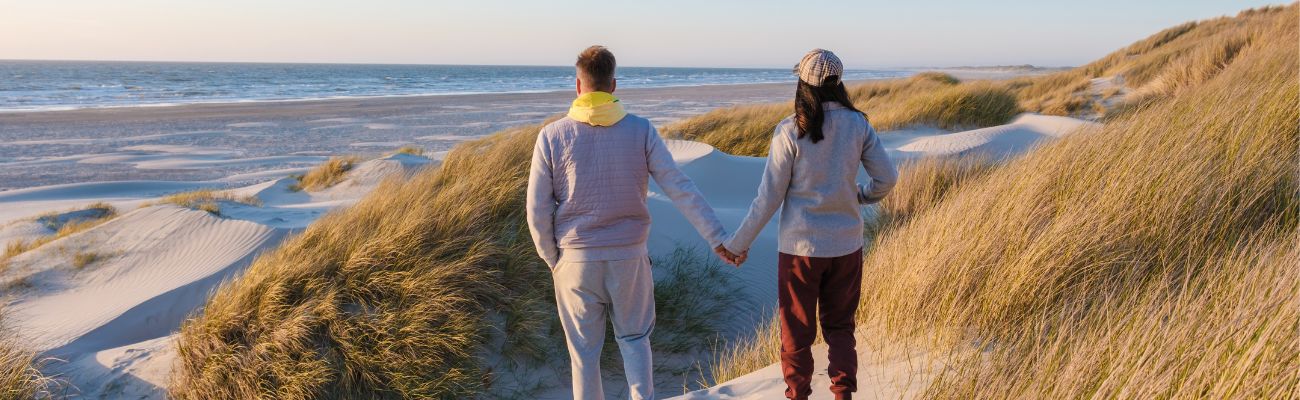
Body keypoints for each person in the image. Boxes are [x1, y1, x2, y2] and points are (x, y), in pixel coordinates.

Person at [526, 45, 737, 400]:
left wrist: (554, 259)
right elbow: (679, 187)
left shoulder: (552, 135)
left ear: (579, 86)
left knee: (583, 355)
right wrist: (717, 237)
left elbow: (536, 209)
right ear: (613, 85)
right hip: (629, 256)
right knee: (635, 339)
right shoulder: (640, 130)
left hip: (575, 259)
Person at [718, 49, 898, 400]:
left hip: (801, 251)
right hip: (846, 245)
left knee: (796, 333)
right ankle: (843, 394)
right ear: (839, 83)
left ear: (803, 83)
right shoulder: (858, 124)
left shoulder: (790, 130)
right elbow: (887, 179)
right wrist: (858, 196)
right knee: (841, 328)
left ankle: (798, 395)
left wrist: (737, 244)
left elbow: (768, 197)